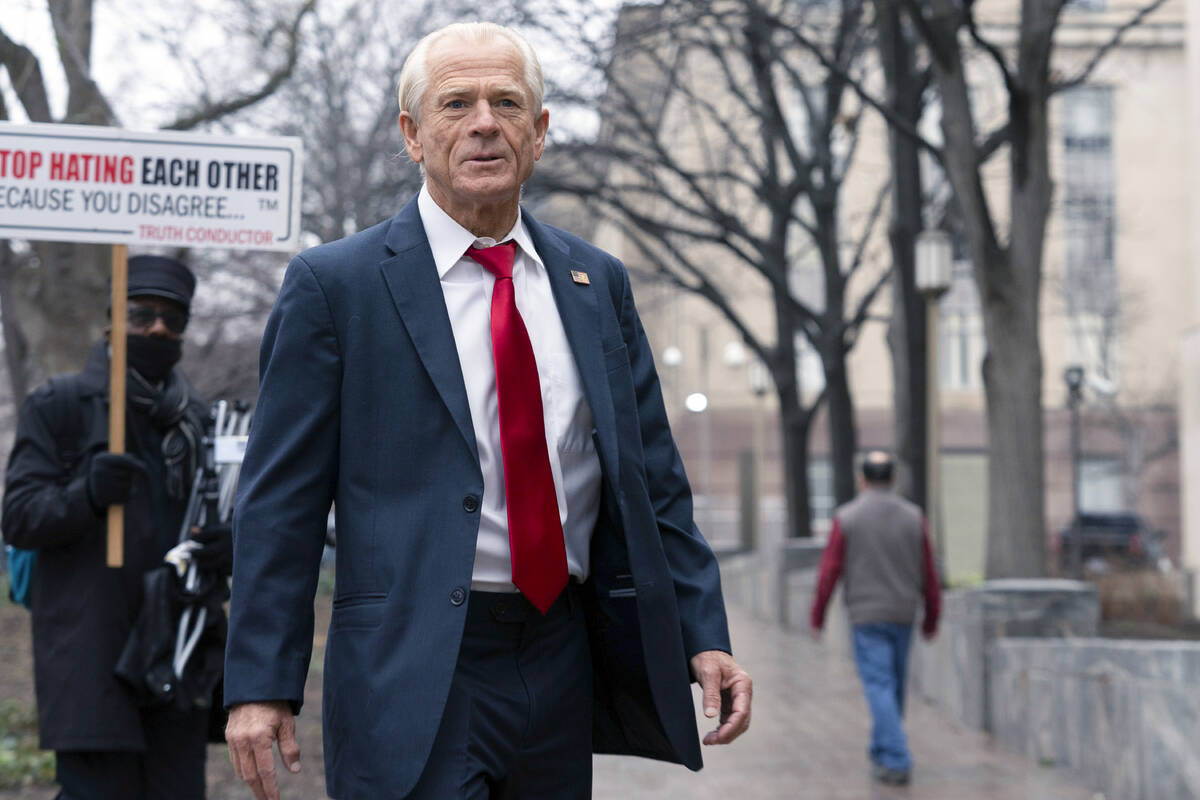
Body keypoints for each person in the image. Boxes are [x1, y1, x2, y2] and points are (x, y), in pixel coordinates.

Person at [223, 20, 752, 800]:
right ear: (412, 134)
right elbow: (280, 504)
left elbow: (652, 481)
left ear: (538, 134)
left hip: (560, 655)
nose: (483, 123)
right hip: (412, 664)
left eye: (507, 103)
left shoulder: (596, 283)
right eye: (455, 104)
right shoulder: (337, 287)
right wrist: (261, 683)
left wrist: (703, 633)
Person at [1, 255, 233, 800]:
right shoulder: (60, 406)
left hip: (175, 656)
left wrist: (230, 544)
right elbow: (19, 516)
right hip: (92, 659)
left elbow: (217, 518)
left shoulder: (196, 421)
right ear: (111, 322)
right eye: (142, 314)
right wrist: (85, 494)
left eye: (172, 319)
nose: (158, 328)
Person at [809, 450, 941, 786]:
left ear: (862, 479)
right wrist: (932, 616)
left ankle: (896, 758)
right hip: (903, 613)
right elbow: (929, 571)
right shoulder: (914, 517)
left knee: (880, 685)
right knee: (891, 686)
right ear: (893, 478)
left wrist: (818, 614)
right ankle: (883, 750)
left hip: (866, 615)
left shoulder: (847, 517)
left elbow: (830, 571)